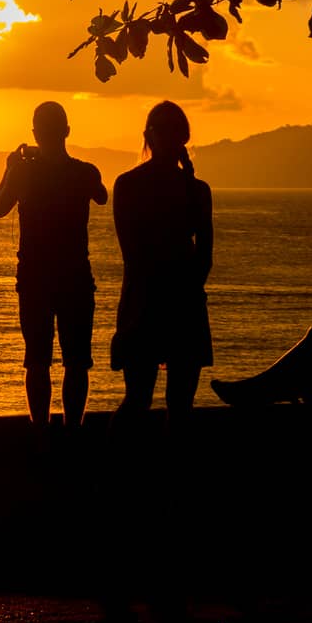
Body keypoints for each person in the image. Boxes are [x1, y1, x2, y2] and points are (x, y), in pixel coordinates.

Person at [0, 101, 108, 428]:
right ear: (67, 131)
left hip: (35, 280)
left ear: (35, 133)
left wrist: (9, 168)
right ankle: (73, 434)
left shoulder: (24, 171)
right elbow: (101, 196)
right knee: (76, 362)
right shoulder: (84, 172)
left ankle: (41, 437)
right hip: (75, 278)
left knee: (38, 362)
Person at [110, 100, 214, 434]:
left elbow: (132, 253)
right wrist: (188, 290)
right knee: (175, 405)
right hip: (174, 303)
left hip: (147, 302)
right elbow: (204, 255)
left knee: (140, 400)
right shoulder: (195, 189)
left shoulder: (129, 185)